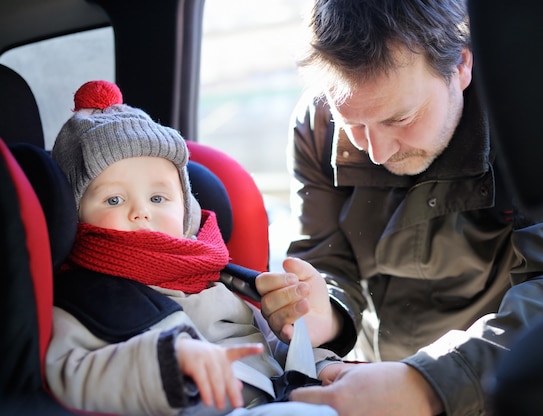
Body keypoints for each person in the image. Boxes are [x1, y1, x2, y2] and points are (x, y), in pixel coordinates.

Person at [255, 1, 543, 415]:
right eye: (353, 124)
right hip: (381, 376)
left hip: (512, 385)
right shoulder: (317, 125)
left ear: (461, 66)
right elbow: (328, 259)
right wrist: (327, 311)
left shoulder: (535, 122)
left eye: (400, 119)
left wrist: (427, 383)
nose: (375, 152)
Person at [45, 80, 339, 416]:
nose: (141, 211)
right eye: (114, 199)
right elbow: (70, 373)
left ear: (187, 212)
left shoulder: (213, 278)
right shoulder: (82, 298)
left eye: (158, 198)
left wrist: (321, 364)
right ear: (75, 215)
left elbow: (266, 349)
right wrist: (168, 364)